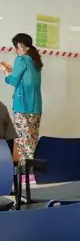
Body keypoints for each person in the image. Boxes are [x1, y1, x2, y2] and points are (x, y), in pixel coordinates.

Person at [1, 33, 43, 163]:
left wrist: (5, 72)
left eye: (16, 47)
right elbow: (26, 79)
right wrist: (12, 70)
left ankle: (27, 172)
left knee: (23, 141)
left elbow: (14, 81)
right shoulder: (35, 60)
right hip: (36, 107)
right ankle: (33, 170)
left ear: (20, 45)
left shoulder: (21, 59)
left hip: (22, 106)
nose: (16, 50)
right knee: (32, 139)